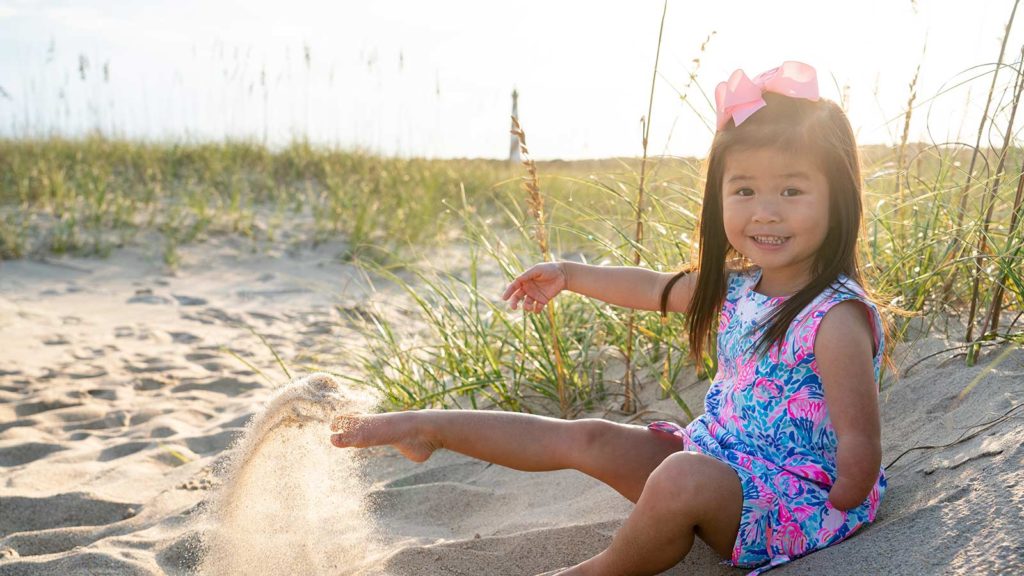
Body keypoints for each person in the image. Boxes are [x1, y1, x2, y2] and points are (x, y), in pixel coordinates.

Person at [330, 61, 888, 576]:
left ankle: (591, 572)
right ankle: (429, 428)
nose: (765, 210)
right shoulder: (739, 287)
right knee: (594, 438)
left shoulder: (833, 316)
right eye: (744, 190)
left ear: (837, 198)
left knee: (679, 476)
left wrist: (826, 522)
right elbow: (650, 287)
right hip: (717, 462)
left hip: (797, 505)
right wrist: (571, 274)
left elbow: (859, 447)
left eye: (792, 189)